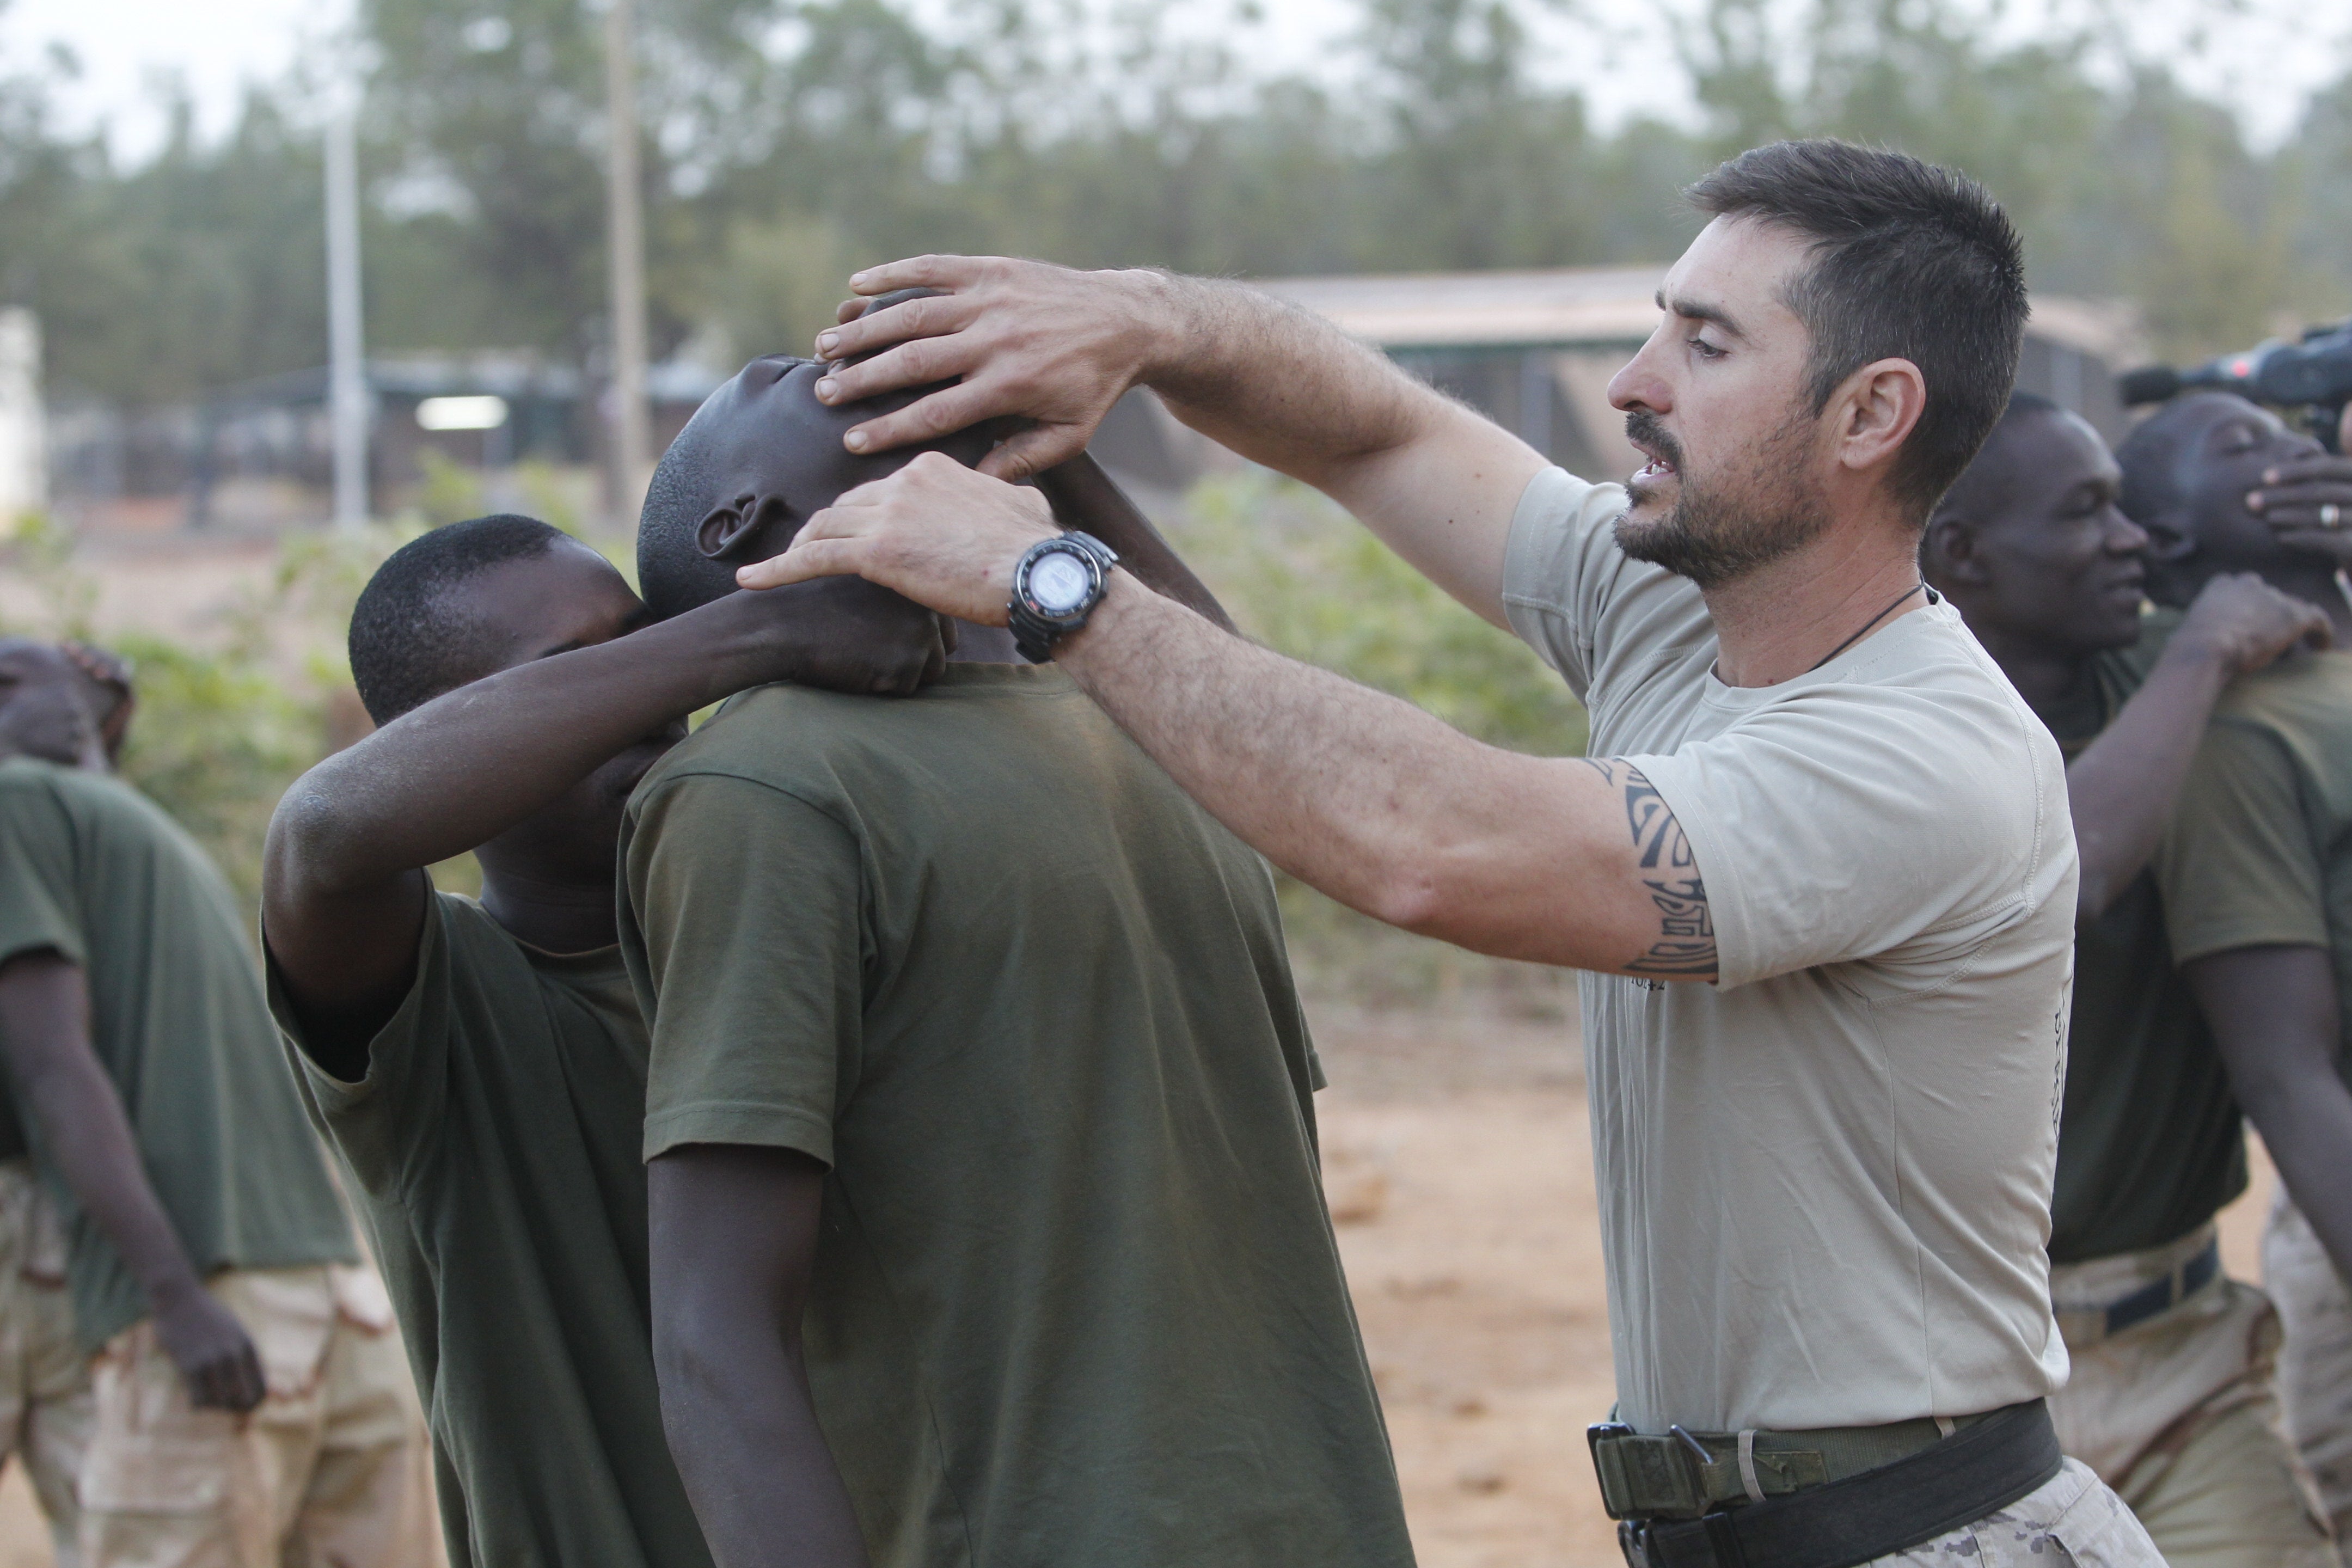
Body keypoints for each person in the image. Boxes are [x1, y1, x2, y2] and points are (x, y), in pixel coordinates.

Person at [737, 138, 2165, 1564]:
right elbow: (1381, 436)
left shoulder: (1923, 755)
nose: (1633, 383)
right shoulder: (1682, 602)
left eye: (1706, 344)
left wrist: (1051, 582)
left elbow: (1442, 848)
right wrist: (1146, 320)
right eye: (1661, 320)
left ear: (1871, 416)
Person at [260, 439, 1202, 1568]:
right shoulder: (448, 1014)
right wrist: (757, 634)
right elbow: (322, 838)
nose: (665, 694)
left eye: (652, 641)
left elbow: (1213, 731)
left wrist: (1059, 475)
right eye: (589, 665)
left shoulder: (800, 929)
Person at [623, 346, 1413, 1568]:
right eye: (786, 375)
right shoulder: (767, 789)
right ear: (749, 520)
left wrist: (1047, 437)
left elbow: (1228, 688)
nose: (842, 354)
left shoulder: (1138, 716)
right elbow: (715, 1337)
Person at [1925, 393, 2335, 1566]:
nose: (2133, 542)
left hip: (2184, 1353)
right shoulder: (1903, 735)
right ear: (1966, 558)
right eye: (2086, 514)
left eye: (2129, 505)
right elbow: (2069, 868)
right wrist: (2205, 649)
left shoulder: (2169, 670)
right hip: (1958, 1388)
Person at [0, 638, 438, 1568]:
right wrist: (173, 1297)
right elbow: (49, 1065)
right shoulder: (17, 808)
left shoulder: (115, 825)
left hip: (296, 1287)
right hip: (228, 1289)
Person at [2115, 390, 2352, 1558]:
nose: (2301, 455)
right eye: (2245, 447)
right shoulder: (2239, 733)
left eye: (2294, 433)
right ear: (2167, 545)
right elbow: (2289, 1076)